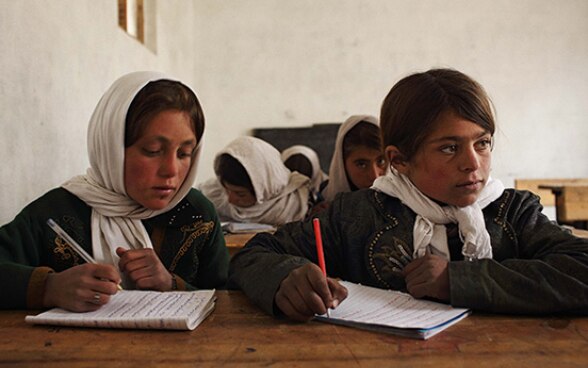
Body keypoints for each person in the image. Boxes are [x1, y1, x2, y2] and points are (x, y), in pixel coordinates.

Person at [228, 68, 588, 322]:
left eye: (483, 143)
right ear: (399, 160)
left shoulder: (512, 214)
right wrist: (285, 279)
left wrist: (458, 280)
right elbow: (256, 254)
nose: (472, 164)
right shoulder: (356, 215)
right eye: (449, 148)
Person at [0, 71, 229, 312]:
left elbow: (229, 301)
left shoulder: (197, 214)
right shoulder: (55, 212)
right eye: (152, 150)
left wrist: (171, 284)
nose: (171, 170)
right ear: (111, 148)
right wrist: (48, 287)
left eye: (184, 153)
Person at [198, 136, 311, 226]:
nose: (230, 200)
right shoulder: (212, 195)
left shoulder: (295, 206)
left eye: (240, 194)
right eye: (226, 191)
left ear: (263, 189)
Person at [320, 115, 387, 202]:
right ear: (342, 164)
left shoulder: (403, 205)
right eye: (361, 164)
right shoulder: (324, 207)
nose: (375, 176)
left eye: (381, 161)